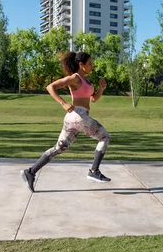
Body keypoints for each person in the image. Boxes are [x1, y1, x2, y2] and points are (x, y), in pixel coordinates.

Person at [21, 51, 111, 193]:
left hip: (74, 119)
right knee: (104, 137)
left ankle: (30, 172)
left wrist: (101, 89)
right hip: (78, 116)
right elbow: (50, 87)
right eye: (89, 63)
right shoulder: (75, 78)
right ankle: (94, 170)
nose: (92, 66)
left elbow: (93, 99)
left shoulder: (86, 80)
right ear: (81, 65)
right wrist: (63, 103)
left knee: (59, 148)